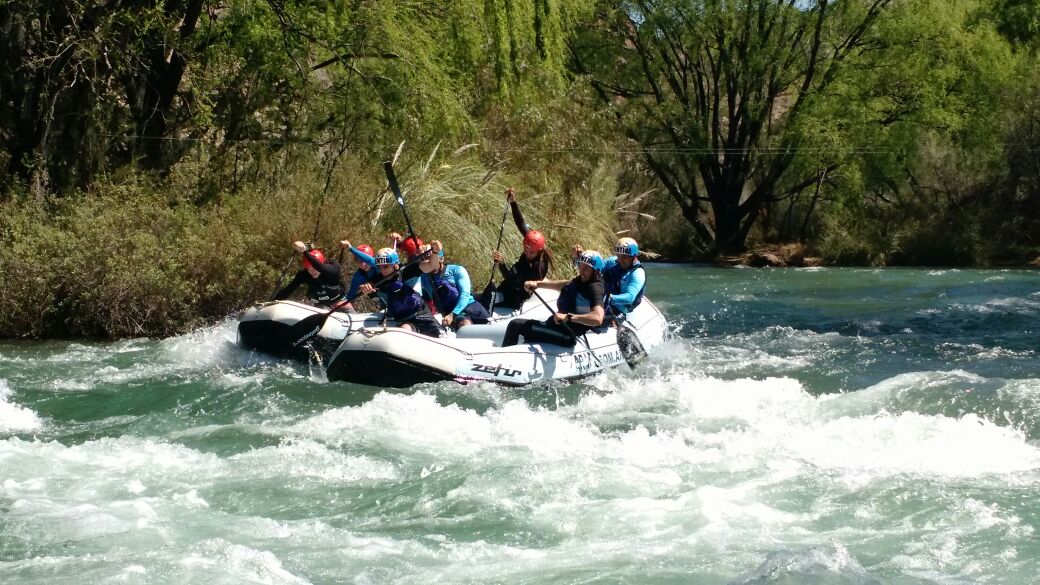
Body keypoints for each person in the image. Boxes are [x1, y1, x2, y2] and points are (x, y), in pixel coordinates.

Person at [501, 250, 607, 347]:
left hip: (568, 335)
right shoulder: (581, 280)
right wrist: (537, 284)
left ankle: (504, 362)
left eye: (586, 268)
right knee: (527, 331)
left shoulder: (595, 289)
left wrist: (569, 317)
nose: (581, 271)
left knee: (516, 325)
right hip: (558, 326)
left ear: (596, 271)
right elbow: (564, 284)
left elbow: (597, 318)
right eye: (580, 266)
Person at [352, 246, 442, 337]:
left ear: (395, 265)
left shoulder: (407, 270)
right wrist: (364, 287)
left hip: (422, 314)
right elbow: (362, 288)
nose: (382, 271)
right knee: (404, 330)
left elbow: (431, 265)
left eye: (385, 266)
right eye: (379, 267)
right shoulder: (379, 279)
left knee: (441, 336)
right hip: (404, 321)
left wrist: (435, 252)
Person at [486, 187, 553, 310]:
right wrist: (513, 202)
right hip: (508, 284)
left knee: (485, 300)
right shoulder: (532, 242)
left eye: (531, 252)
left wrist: (501, 264)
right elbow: (520, 224)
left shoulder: (539, 267)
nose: (527, 254)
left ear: (539, 250)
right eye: (525, 251)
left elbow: (515, 285)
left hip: (516, 296)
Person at [419, 240, 491, 330]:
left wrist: (452, 315)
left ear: (441, 259)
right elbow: (427, 300)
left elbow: (465, 294)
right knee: (465, 324)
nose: (429, 262)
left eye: (431, 258)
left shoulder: (457, 270)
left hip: (469, 307)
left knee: (489, 325)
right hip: (451, 314)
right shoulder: (424, 278)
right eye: (426, 259)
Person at [574, 237, 646, 317]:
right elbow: (592, 270)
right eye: (619, 256)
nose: (621, 260)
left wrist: (607, 298)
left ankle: (610, 320)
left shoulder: (638, 273)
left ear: (634, 256)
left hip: (620, 306)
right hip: (604, 297)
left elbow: (629, 298)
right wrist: (579, 257)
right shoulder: (612, 261)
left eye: (624, 257)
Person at [273, 240, 345, 308]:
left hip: (340, 302)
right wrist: (273, 302)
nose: (312, 270)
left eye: (314, 267)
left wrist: (304, 251)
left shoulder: (333, 268)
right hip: (322, 305)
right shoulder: (304, 275)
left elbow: (320, 267)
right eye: (308, 267)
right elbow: (288, 290)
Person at [338, 241, 378, 312]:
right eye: (359, 261)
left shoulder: (379, 266)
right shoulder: (358, 276)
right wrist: (341, 301)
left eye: (365, 260)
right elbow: (350, 295)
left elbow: (373, 262)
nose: (363, 264)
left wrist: (350, 248)